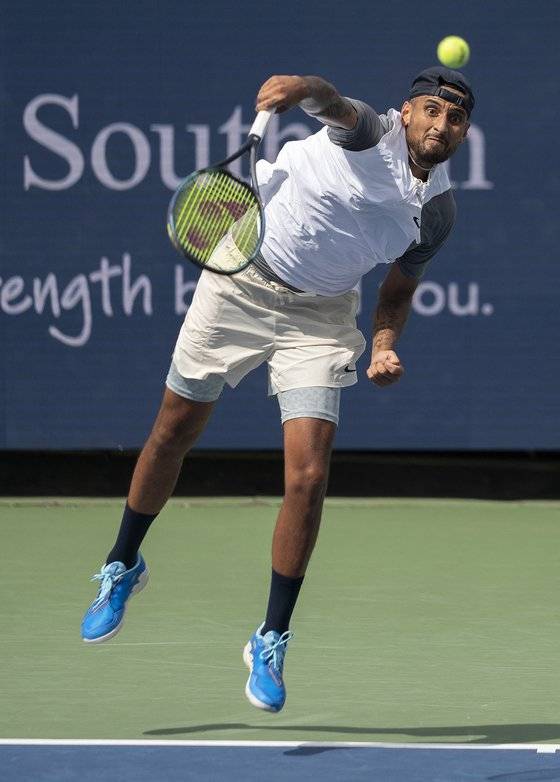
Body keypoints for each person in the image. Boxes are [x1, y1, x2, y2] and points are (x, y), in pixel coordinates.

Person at [81, 66, 474, 713]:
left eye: (455, 118)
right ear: (407, 113)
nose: (441, 124)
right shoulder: (368, 131)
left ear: (463, 132)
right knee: (173, 431)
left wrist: (382, 344)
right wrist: (302, 90)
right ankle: (124, 563)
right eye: (431, 110)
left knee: (308, 476)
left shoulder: (437, 213)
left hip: (320, 318)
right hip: (241, 279)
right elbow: (332, 103)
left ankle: (271, 636)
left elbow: (397, 291)